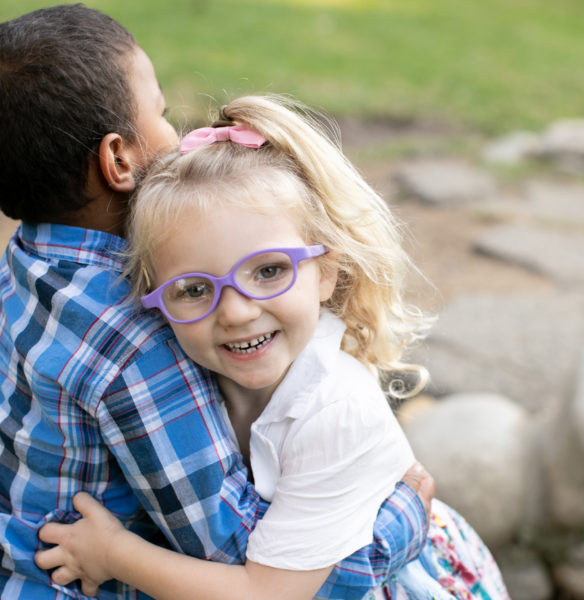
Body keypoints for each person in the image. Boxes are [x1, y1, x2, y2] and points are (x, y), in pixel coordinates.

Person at [1, 5, 437, 599]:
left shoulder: (27, 261)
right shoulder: (137, 330)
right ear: (119, 160)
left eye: (268, 272)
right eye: (160, 114)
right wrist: (403, 525)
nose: (232, 310)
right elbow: (237, 556)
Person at [35, 95, 511, 599]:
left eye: (269, 271)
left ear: (325, 271)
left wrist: (115, 554)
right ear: (157, 303)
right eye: (195, 289)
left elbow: (268, 594)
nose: (237, 312)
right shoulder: (184, 363)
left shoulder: (334, 409)